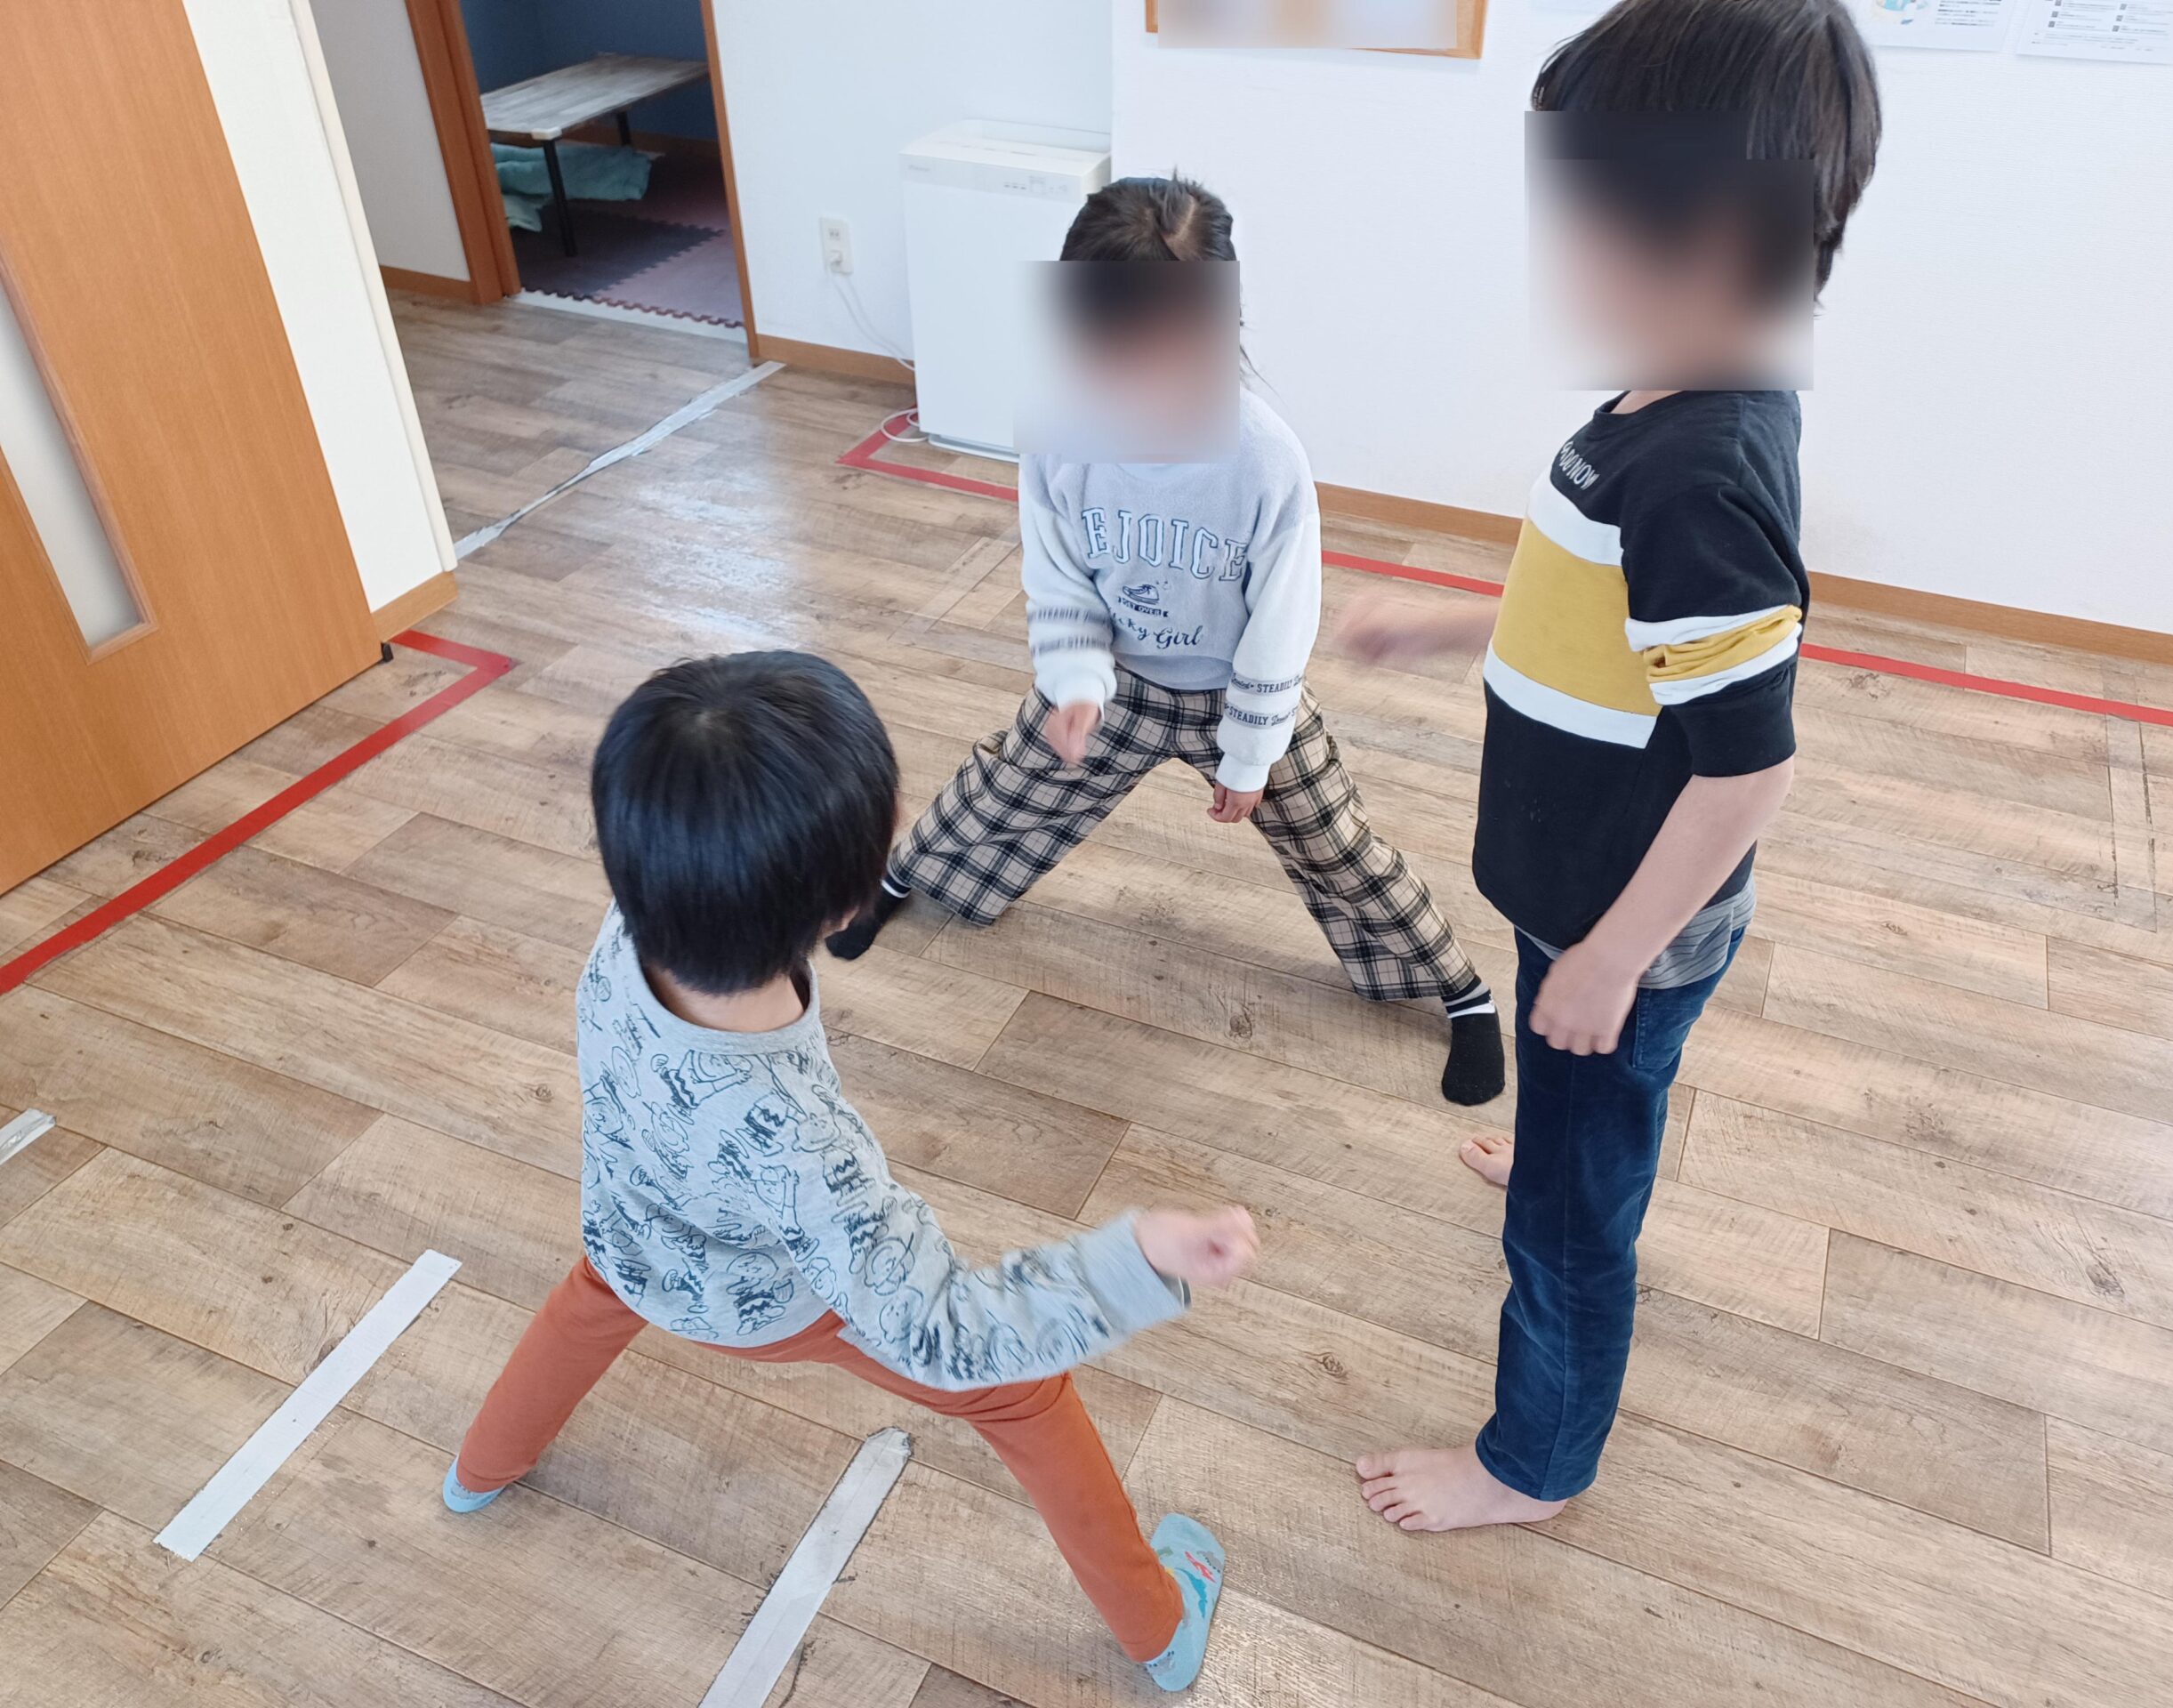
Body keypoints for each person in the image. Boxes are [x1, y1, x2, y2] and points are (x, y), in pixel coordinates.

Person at [441, 651, 1259, 1693]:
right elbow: (945, 1333)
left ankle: (480, 1470)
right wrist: (1134, 1260)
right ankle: (1160, 1625)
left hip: (634, 1233)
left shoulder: (636, 919)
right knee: (1022, 1395)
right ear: (841, 908)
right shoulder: (800, 1146)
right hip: (772, 1300)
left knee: (591, 1299)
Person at [1342, 0, 1881, 1529]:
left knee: (1568, 1228)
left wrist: (1611, 959)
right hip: (1581, 887)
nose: (1559, 254)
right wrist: (1453, 627)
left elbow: (1748, 772)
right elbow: (1607, 613)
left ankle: (1534, 1463)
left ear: (1713, 237)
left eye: (1588, 216)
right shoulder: (1665, 397)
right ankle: (1564, 1126)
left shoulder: (1703, 471)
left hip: (1618, 916)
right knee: (1581, 1108)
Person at [824, 175, 1507, 1108]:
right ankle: (901, 881)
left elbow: (1281, 624)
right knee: (1002, 790)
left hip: (1238, 691)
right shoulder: (1060, 432)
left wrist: (1251, 754)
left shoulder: (1265, 459)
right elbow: (1060, 575)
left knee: (1336, 846)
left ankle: (1461, 992)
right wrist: (1074, 682)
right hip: (1117, 681)